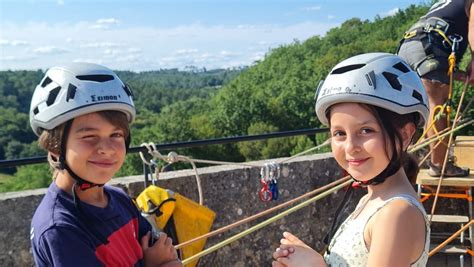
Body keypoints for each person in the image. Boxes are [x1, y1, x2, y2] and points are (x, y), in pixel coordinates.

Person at [272, 53, 431, 266]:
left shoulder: (396, 215)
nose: (350, 147)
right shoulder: (371, 201)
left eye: (366, 130)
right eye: (339, 133)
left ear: (404, 134)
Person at [29, 62, 182, 266]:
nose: (107, 148)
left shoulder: (118, 199)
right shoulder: (61, 228)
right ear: (55, 147)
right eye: (89, 136)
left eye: (116, 134)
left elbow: (165, 254)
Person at [397, 0, 471, 177]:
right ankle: (440, 165)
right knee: (437, 105)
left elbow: (439, 71)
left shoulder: (448, 5)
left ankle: (398, 163)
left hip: (411, 45)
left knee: (410, 109)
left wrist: (462, 76)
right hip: (430, 46)